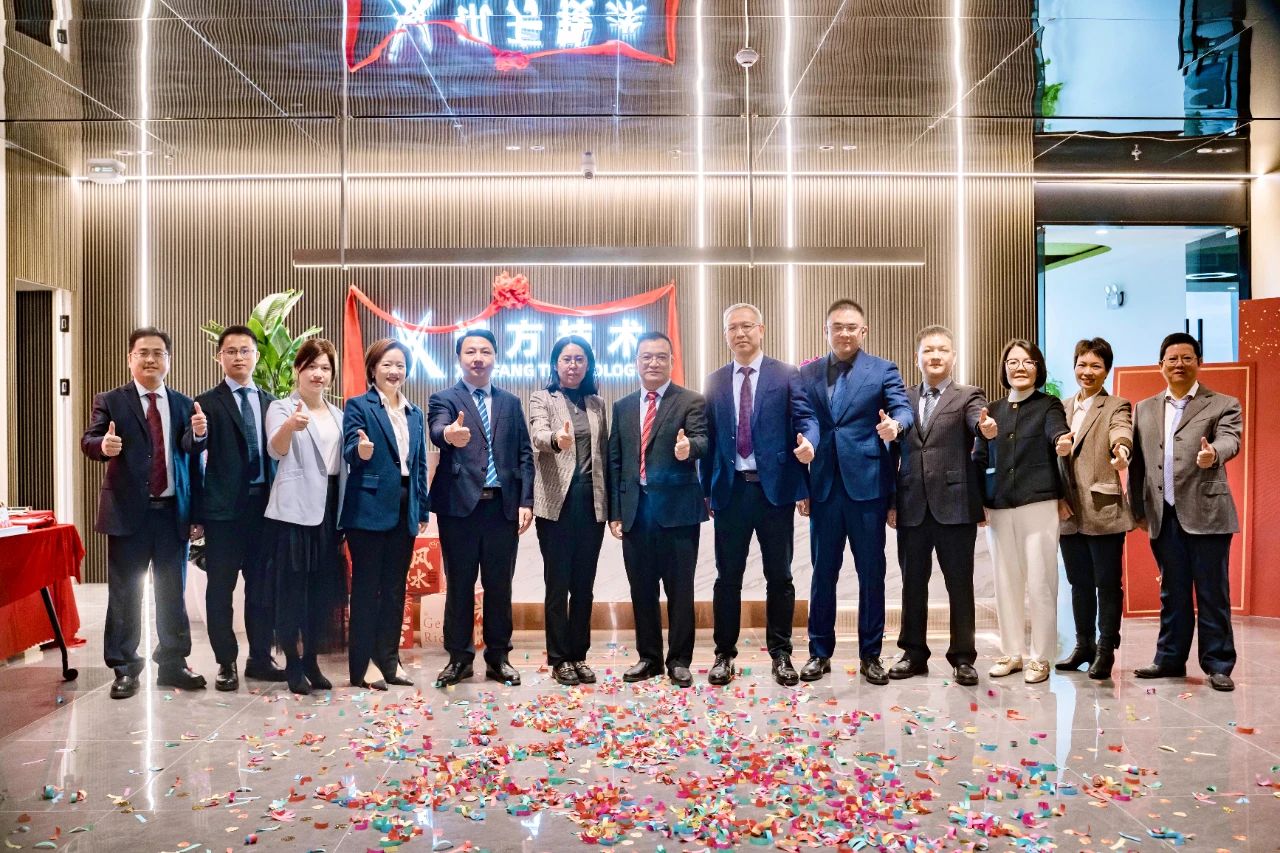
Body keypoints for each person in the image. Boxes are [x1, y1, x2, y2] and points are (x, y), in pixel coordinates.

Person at [80, 327, 207, 700]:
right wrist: (103, 445)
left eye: (158, 353)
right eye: (143, 353)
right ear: (130, 359)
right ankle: (124, 668)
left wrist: (199, 436)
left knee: (172, 593)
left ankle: (173, 663)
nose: (150, 359)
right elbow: (90, 440)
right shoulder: (111, 401)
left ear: (169, 360)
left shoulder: (183, 404)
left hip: (171, 513)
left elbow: (190, 457)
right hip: (127, 513)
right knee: (125, 594)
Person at [797, 300, 913, 686]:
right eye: (837, 327)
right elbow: (804, 422)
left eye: (852, 327)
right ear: (826, 331)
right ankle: (819, 652)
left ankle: (871, 654)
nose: (844, 333)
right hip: (824, 487)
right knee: (822, 573)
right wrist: (803, 477)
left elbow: (902, 409)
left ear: (863, 331)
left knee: (871, 573)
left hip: (868, 487)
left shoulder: (883, 369)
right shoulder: (807, 373)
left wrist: (895, 426)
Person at [703, 304, 818, 687]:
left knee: (780, 576)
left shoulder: (786, 374)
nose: (740, 333)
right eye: (732, 328)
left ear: (761, 329)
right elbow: (710, 439)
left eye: (747, 326)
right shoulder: (715, 381)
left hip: (775, 492)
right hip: (731, 491)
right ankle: (724, 654)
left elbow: (805, 419)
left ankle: (781, 654)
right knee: (727, 578)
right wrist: (707, 490)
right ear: (725, 335)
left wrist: (809, 446)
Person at [1129, 332, 1242, 692]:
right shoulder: (1144, 408)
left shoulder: (1222, 403)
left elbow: (1231, 439)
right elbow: (1137, 464)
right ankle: (1169, 659)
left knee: (1212, 593)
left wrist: (1214, 453)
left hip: (1208, 514)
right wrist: (1137, 509)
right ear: (1160, 365)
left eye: (1187, 358)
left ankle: (1218, 664)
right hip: (1163, 515)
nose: (1179, 364)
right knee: (1172, 593)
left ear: (1199, 362)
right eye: (1172, 359)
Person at [429, 329, 535, 688]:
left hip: (502, 508)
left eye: (485, 351)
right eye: (470, 351)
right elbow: (437, 429)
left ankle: (498, 658)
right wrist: (449, 435)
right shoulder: (444, 398)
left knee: (499, 586)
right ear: (459, 358)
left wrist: (525, 500)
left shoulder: (511, 402)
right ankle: (459, 659)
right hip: (459, 507)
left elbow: (524, 454)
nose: (478, 358)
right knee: (460, 586)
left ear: (495, 358)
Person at [887, 325, 986, 686]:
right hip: (911, 504)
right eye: (928, 350)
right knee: (912, 584)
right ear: (918, 358)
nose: (935, 356)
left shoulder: (968, 395)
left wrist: (985, 427)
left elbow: (978, 422)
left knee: (960, 585)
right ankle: (913, 653)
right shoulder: (902, 398)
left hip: (955, 505)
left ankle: (963, 657)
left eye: (942, 349)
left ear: (953, 356)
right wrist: (891, 502)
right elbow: (892, 452)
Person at [608, 331, 708, 688]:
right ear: (636, 362)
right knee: (642, 590)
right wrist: (616, 511)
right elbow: (616, 460)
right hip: (636, 512)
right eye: (646, 357)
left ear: (671, 361)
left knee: (680, 591)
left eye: (661, 357)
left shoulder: (691, 401)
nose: (653, 363)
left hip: (678, 512)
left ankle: (679, 660)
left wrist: (688, 448)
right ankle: (648, 658)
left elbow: (703, 439)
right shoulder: (622, 406)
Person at [973, 339, 1070, 684]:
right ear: (1004, 368)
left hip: (1038, 503)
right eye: (1013, 362)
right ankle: (1012, 652)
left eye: (1028, 362)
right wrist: (978, 501)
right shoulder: (992, 410)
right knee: (1005, 581)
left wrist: (1062, 441)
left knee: (1041, 581)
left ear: (1038, 367)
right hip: (999, 505)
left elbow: (1057, 431)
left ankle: (1041, 657)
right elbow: (979, 457)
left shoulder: (1048, 405)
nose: (1020, 368)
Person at [194, 325, 285, 692]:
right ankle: (226, 661)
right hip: (223, 512)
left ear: (256, 356)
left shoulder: (272, 403)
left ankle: (260, 658)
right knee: (220, 589)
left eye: (245, 350)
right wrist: (198, 434)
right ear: (219, 357)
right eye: (230, 351)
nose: (238, 357)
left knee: (262, 589)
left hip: (264, 509)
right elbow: (191, 455)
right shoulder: (205, 403)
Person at [341, 339, 430, 690]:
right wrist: (360, 450)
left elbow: (418, 465)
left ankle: (389, 660)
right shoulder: (358, 405)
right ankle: (362, 666)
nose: (394, 371)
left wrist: (421, 508)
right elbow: (350, 447)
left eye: (400, 366)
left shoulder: (415, 413)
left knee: (395, 590)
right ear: (373, 369)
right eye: (387, 365)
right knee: (366, 590)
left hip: (405, 506)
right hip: (368, 507)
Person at [262, 339, 348, 694]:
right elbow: (275, 449)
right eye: (311, 366)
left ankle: (312, 659)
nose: (318, 374)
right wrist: (290, 427)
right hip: (294, 513)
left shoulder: (339, 415)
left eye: (325, 368)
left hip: (329, 511)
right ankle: (293, 664)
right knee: (292, 590)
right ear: (298, 369)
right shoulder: (282, 407)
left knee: (321, 592)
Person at [528, 336, 609, 686]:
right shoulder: (542, 398)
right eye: (566, 359)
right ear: (555, 364)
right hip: (556, 503)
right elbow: (538, 434)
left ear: (588, 365)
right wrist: (555, 440)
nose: (573, 365)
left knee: (584, 586)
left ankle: (579, 655)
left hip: (591, 502)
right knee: (557, 584)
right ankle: (559, 658)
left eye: (579, 359)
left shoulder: (597, 403)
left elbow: (604, 453)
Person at [1055, 337, 1134, 681]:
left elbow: (1122, 431)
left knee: (1107, 583)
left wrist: (1121, 450)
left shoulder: (1116, 405)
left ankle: (1105, 649)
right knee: (1079, 583)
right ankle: (1083, 645)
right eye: (1082, 365)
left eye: (1095, 366)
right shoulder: (1060, 407)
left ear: (1106, 370)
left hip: (1103, 509)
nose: (1087, 372)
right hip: (1068, 510)